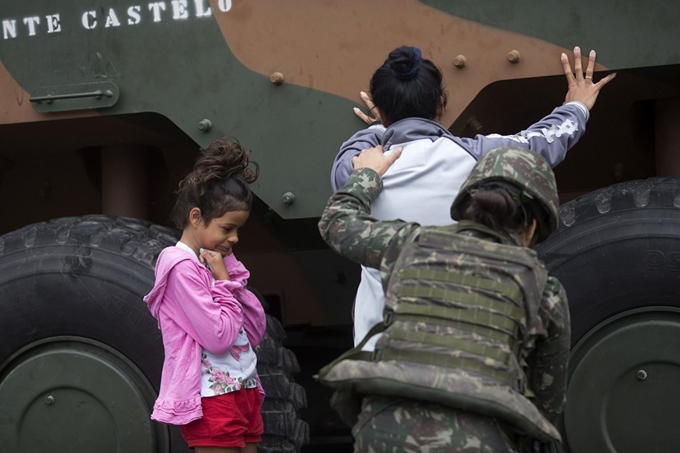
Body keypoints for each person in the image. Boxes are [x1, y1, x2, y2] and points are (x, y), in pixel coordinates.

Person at [331, 45, 614, 353]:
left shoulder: (357, 171)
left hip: (382, 359)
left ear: (382, 112)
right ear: (440, 104)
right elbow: (543, 142)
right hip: (466, 350)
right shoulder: (480, 157)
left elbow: (351, 153)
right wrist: (576, 106)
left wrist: (380, 129)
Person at [318, 145, 569, 452]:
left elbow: (336, 223)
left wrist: (366, 174)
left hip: (383, 432)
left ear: (468, 205)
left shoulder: (410, 244)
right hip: (479, 440)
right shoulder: (545, 288)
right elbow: (547, 400)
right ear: (531, 227)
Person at [144, 138, 266, 453]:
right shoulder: (179, 266)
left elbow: (253, 329)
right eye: (227, 229)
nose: (235, 238)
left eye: (238, 230)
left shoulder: (213, 262)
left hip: (244, 388)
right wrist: (225, 281)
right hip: (211, 397)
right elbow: (219, 337)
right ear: (196, 217)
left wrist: (229, 269)